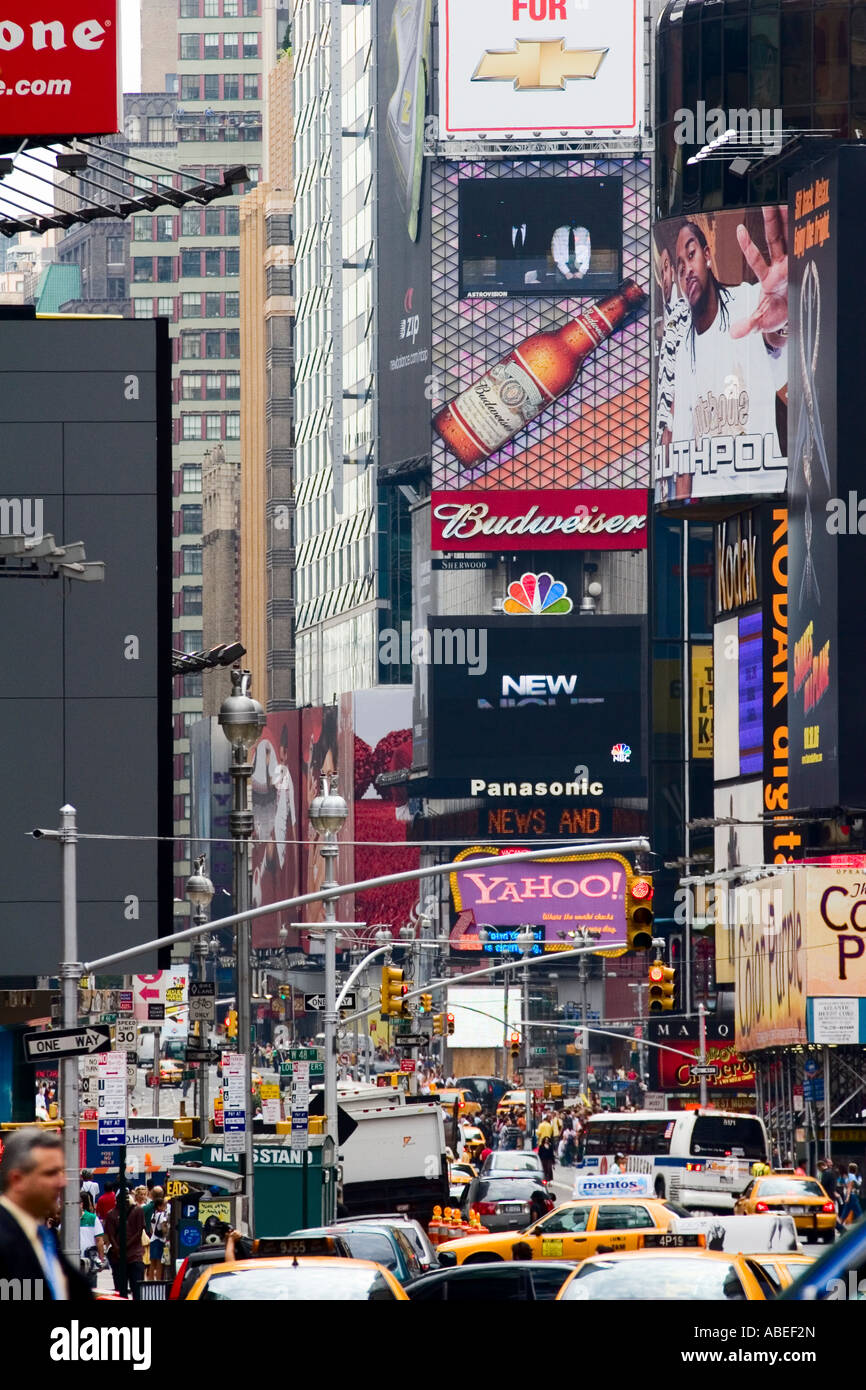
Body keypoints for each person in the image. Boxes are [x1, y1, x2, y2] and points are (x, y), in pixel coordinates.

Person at [0, 1128, 93, 1301]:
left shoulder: (42, 1237)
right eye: (50, 1173)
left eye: (61, 1172)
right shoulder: (8, 1239)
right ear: (17, 1180)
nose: (62, 1182)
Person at [103, 1194, 146, 1299]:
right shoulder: (111, 1214)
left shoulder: (137, 1211)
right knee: (120, 1291)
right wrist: (118, 1248)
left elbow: (139, 1232)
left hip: (134, 1256)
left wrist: (121, 1247)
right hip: (119, 1257)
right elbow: (111, 1234)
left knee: (136, 1289)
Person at [79, 1191, 105, 1289]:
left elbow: (99, 1240)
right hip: (72, 1260)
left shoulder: (92, 1218)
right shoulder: (66, 1219)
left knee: (91, 1289)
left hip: (89, 1261)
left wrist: (101, 1260)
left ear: (81, 1204)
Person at [143, 1187, 170, 1282]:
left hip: (153, 1239)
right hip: (160, 1240)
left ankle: (150, 1279)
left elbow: (150, 1228)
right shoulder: (162, 1215)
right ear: (159, 1206)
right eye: (164, 1206)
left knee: (152, 1262)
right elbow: (163, 1228)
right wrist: (166, 1231)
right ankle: (158, 1280)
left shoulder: (153, 1215)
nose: (165, 1207)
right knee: (159, 1263)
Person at [839, 1163, 863, 1227]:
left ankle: (839, 1225)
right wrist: (848, 1197)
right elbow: (850, 1186)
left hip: (848, 1195)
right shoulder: (852, 1176)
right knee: (858, 1211)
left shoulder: (847, 1176)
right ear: (855, 1169)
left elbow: (844, 1184)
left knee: (846, 1211)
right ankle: (863, 1226)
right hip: (852, 1196)